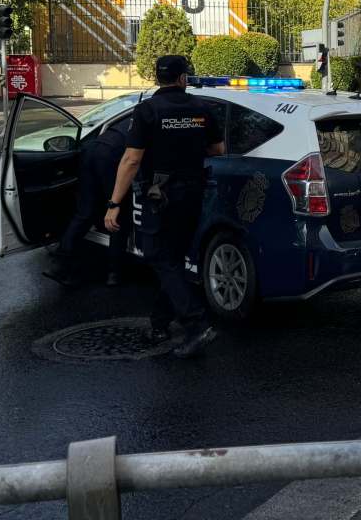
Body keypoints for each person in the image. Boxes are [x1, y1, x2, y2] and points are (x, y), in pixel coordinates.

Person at [105, 56, 225, 358]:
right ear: (183, 78)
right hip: (194, 194)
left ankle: (197, 323)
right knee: (173, 258)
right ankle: (160, 322)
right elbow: (217, 149)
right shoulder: (202, 108)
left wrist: (113, 203)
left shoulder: (146, 111)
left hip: (160, 196)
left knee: (158, 256)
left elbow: (131, 159)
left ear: (158, 78)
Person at [44, 119, 132, 288]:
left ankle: (59, 264)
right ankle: (114, 274)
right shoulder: (157, 114)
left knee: (85, 212)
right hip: (114, 157)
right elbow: (134, 159)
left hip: (91, 150)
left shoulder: (138, 111)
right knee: (118, 216)